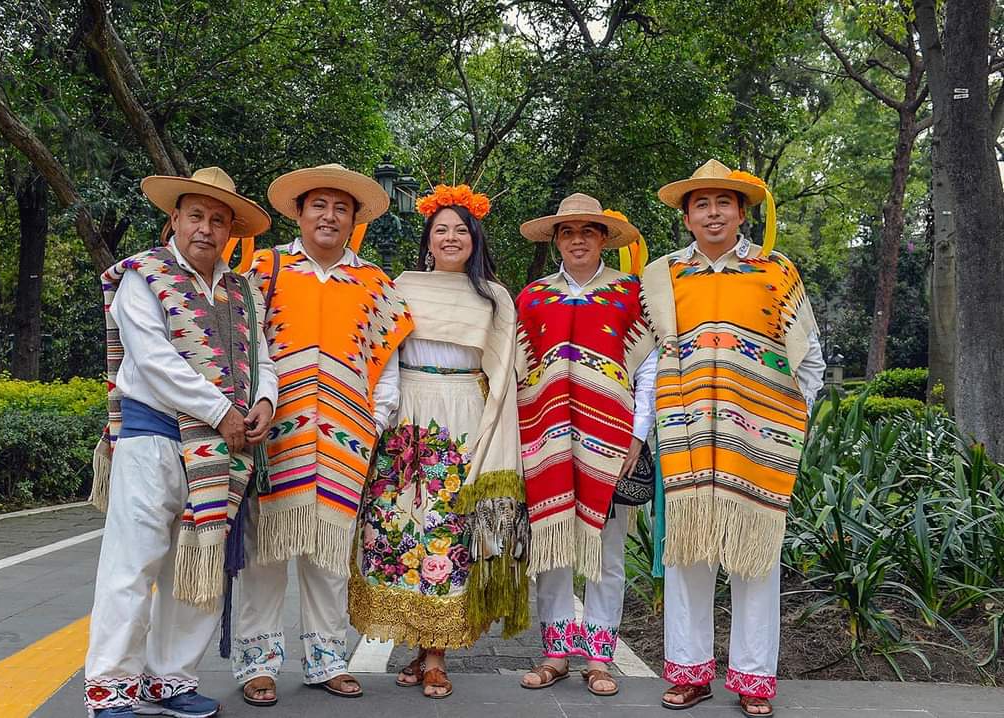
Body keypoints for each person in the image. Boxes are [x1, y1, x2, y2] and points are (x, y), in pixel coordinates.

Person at [84, 167, 277, 718]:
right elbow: (152, 358)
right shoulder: (142, 277)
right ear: (174, 219)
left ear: (231, 231)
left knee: (200, 561)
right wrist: (220, 411)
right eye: (196, 215)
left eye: (219, 220)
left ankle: (170, 680)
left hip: (220, 449)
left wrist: (265, 403)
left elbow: (264, 358)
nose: (207, 229)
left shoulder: (243, 291)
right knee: (134, 564)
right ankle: (109, 687)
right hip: (154, 436)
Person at [644, 160, 825, 717]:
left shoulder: (776, 271)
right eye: (702, 204)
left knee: (755, 560)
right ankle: (689, 673)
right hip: (687, 434)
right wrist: (651, 428)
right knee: (688, 555)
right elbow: (648, 360)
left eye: (724, 202)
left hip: (759, 440)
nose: (714, 213)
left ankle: (753, 679)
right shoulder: (663, 277)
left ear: (742, 211)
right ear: (686, 216)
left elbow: (809, 358)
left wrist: (788, 424)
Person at [229, 164, 414, 706]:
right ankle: (257, 663)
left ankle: (326, 658)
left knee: (330, 555)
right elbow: (241, 350)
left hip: (347, 438)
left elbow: (388, 366)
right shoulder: (265, 269)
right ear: (300, 212)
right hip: (273, 435)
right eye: (320, 206)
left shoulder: (375, 284)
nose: (329, 216)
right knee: (264, 555)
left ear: (354, 220)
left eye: (341, 208)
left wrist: (374, 423)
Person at [349, 184, 529, 699]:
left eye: (460, 231)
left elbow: (503, 374)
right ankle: (419, 645)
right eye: (441, 230)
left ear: (474, 240)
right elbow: (377, 354)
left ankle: (435, 657)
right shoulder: (400, 286)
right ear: (428, 239)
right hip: (408, 412)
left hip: (463, 417)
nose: (450, 238)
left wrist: (492, 435)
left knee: (447, 530)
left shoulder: (494, 297)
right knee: (400, 526)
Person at [515, 193, 657, 698]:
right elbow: (517, 371)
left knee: (606, 551)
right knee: (551, 545)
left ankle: (600, 657)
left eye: (588, 231)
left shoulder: (630, 294)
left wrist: (638, 434)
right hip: (544, 436)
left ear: (603, 239)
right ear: (557, 239)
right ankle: (556, 652)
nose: (577, 239)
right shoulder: (532, 298)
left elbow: (648, 368)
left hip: (612, 437)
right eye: (567, 231)